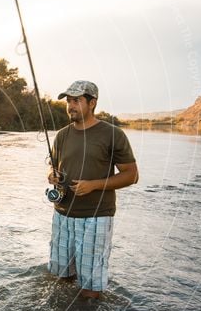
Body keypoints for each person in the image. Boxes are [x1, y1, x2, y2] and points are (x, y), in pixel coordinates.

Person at [47, 80, 138, 299]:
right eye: (68, 101)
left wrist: (94, 185)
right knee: (60, 278)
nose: (71, 106)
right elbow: (53, 168)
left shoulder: (113, 134)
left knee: (90, 287)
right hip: (62, 214)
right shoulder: (61, 135)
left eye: (77, 100)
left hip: (96, 217)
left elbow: (132, 175)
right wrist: (52, 176)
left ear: (92, 103)